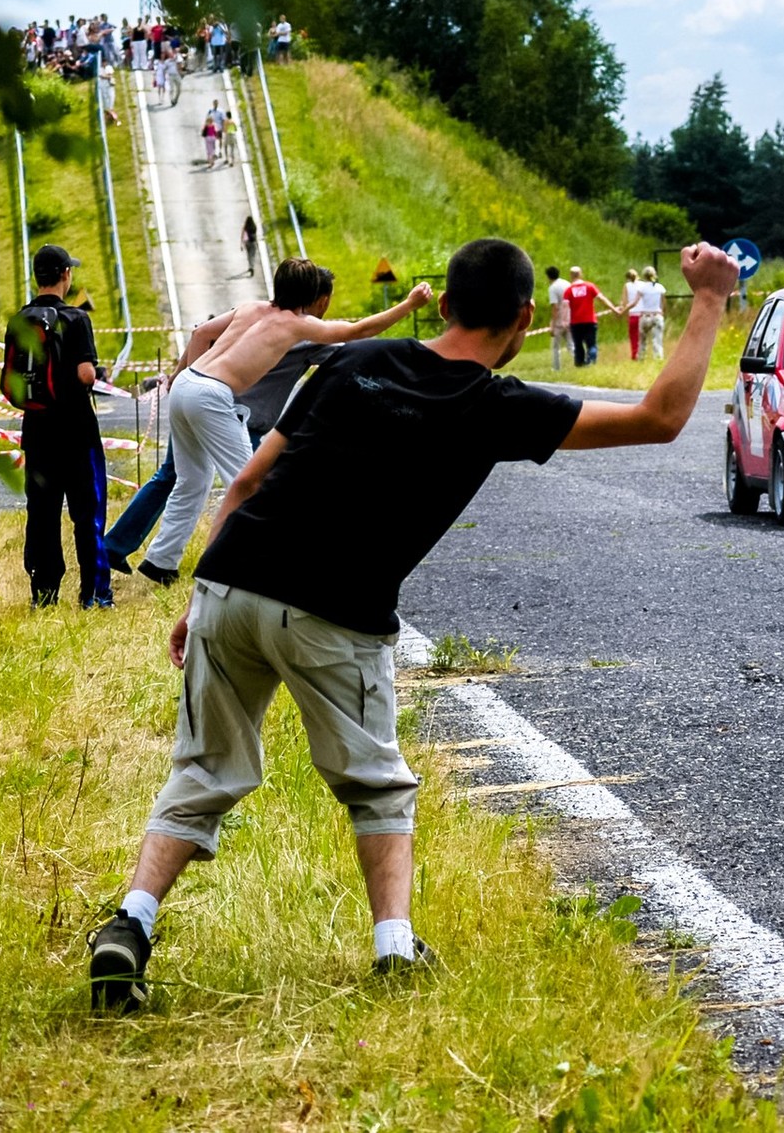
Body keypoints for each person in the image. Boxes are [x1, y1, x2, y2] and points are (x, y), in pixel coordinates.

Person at [86, 238, 738, 1011]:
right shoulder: (494, 406)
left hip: (234, 580)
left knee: (204, 769)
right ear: (524, 317)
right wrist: (709, 297)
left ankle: (132, 920)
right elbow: (661, 417)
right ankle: (394, 948)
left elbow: (251, 479)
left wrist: (202, 596)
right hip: (335, 611)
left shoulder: (352, 361)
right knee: (377, 786)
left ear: (447, 303)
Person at [135, 260, 435, 586]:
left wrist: (189, 380)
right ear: (312, 294)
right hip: (212, 395)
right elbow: (358, 330)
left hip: (188, 382)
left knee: (192, 480)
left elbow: (202, 332)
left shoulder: (251, 308)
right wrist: (409, 304)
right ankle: (238, 569)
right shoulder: (297, 325)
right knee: (248, 484)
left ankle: (161, 561)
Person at [104, 341, 339, 572]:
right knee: (248, 488)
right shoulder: (304, 334)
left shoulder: (244, 320)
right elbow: (347, 355)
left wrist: (181, 377)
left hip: (198, 398)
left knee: (176, 477)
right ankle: (244, 563)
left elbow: (200, 333)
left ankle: (129, 551)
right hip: (237, 416)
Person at [16, 245, 113, 609]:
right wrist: (94, 374)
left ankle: (43, 593)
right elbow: (85, 374)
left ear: (36, 277)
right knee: (87, 513)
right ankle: (94, 593)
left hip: (36, 432)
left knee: (42, 513)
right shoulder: (75, 318)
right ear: (65, 275)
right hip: (76, 431)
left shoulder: (19, 320)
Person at [565, 266, 620, 367]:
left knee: (578, 345)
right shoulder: (589, 286)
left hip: (576, 322)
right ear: (581, 274)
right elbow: (602, 298)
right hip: (590, 321)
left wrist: (564, 320)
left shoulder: (569, 290)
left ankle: (579, 363)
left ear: (571, 275)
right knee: (591, 344)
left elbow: (564, 307)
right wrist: (614, 309)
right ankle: (591, 360)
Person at [632, 266, 667, 359]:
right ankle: (658, 358)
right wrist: (662, 311)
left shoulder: (642, 288)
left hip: (645, 316)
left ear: (644, 276)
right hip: (657, 315)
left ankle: (641, 357)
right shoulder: (660, 287)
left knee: (642, 340)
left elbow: (635, 302)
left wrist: (625, 308)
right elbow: (663, 302)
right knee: (657, 340)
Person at [545, 265, 571, 364]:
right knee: (571, 344)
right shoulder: (567, 284)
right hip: (570, 317)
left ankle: (556, 367)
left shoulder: (553, 288)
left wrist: (553, 324)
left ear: (548, 276)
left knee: (556, 347)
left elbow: (555, 307)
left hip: (559, 321)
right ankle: (577, 362)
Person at [622, 268, 641, 359]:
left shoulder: (627, 286)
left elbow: (625, 301)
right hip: (643, 313)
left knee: (633, 336)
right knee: (642, 336)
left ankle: (635, 354)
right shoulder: (643, 285)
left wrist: (625, 313)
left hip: (632, 314)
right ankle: (642, 353)